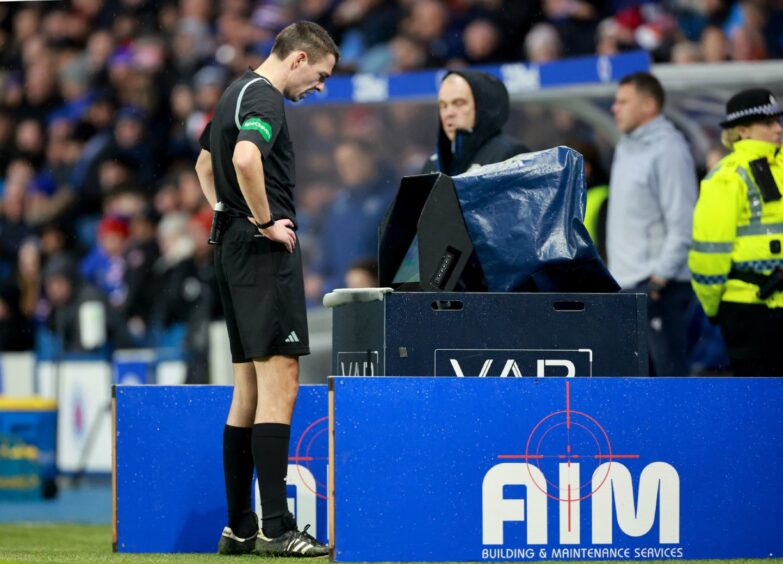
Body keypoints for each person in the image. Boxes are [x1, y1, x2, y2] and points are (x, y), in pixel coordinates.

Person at [194, 21, 338, 557]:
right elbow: (244, 158)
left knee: (247, 390)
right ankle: (278, 528)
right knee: (281, 380)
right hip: (259, 250)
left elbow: (204, 163)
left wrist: (224, 212)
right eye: (319, 76)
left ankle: (240, 527)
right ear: (299, 59)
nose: (319, 88)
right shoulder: (268, 99)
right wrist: (262, 222)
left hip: (229, 248)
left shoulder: (234, 91)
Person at [606, 72, 698, 376]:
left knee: (669, 380)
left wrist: (659, 279)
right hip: (628, 286)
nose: (614, 108)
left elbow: (683, 220)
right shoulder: (625, 147)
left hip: (659, 287)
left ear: (648, 105)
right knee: (638, 383)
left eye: (623, 101)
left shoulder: (669, 149)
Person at [689, 88, 783, 376]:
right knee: (758, 405)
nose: (778, 128)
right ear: (742, 130)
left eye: (777, 121)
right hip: (748, 310)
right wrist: (716, 307)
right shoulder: (725, 178)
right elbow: (709, 254)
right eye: (767, 123)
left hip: (751, 309)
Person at [422, 69, 528, 175]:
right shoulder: (433, 164)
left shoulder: (510, 156)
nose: (448, 113)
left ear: (482, 106)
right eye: (443, 105)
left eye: (459, 103)